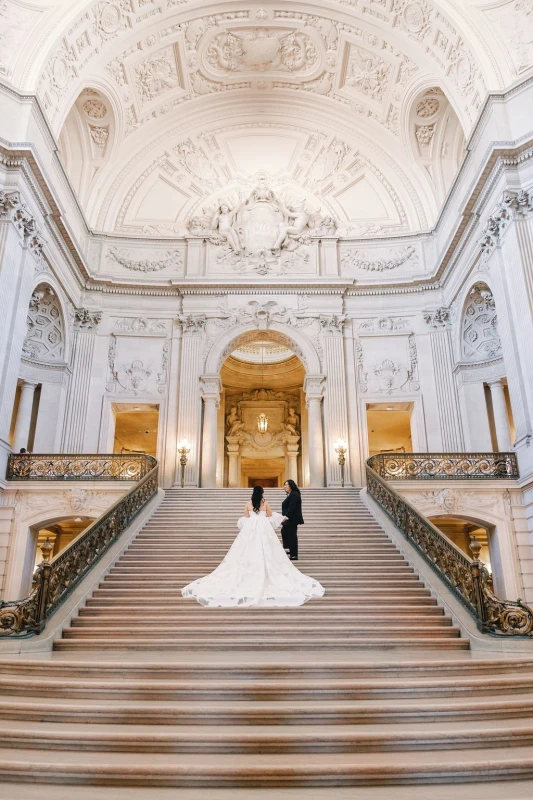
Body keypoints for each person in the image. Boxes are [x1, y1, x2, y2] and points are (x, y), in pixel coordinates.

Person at [181, 485, 324, 607]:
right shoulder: (265, 502)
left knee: (245, 551)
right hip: (263, 528)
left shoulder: (248, 503)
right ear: (262, 493)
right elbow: (269, 516)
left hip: (250, 529)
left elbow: (245, 518)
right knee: (269, 551)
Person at [281, 479, 303, 560]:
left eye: (286, 485)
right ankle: (291, 550)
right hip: (289, 519)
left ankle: (294, 554)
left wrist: (286, 516)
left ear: (291, 485)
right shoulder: (291, 494)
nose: (285, 487)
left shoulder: (294, 494)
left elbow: (292, 507)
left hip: (292, 519)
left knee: (292, 536)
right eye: (284, 485)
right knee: (285, 532)